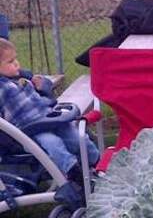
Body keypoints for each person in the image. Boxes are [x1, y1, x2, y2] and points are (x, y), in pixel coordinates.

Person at [0, 38, 99, 180]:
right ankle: (74, 173)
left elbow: (38, 82)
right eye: (10, 62)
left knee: (77, 138)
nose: (16, 64)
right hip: (30, 129)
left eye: (16, 59)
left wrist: (40, 83)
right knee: (53, 144)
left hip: (48, 118)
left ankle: (98, 163)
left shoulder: (20, 76)